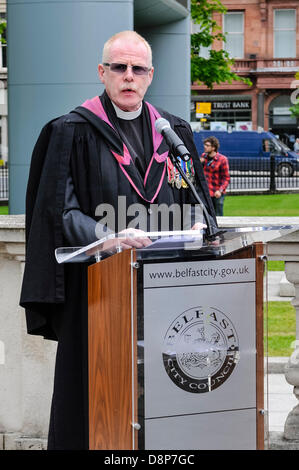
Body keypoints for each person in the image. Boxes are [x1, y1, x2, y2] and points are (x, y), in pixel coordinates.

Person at [20, 30, 218, 450]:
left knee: (166, 395)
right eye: (119, 67)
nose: (129, 76)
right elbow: (58, 213)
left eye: (138, 69)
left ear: (150, 75)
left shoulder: (173, 133)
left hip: (165, 294)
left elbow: (197, 200)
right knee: (92, 398)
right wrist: (109, 238)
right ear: (102, 72)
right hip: (97, 294)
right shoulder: (69, 131)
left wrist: (202, 227)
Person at [200, 136, 230, 216]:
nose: (204, 147)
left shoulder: (222, 159)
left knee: (218, 216)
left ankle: (220, 229)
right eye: (204, 145)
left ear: (213, 147)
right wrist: (200, 163)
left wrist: (220, 190)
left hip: (217, 192)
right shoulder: (204, 157)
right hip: (206, 192)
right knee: (206, 215)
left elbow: (226, 178)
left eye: (207, 145)